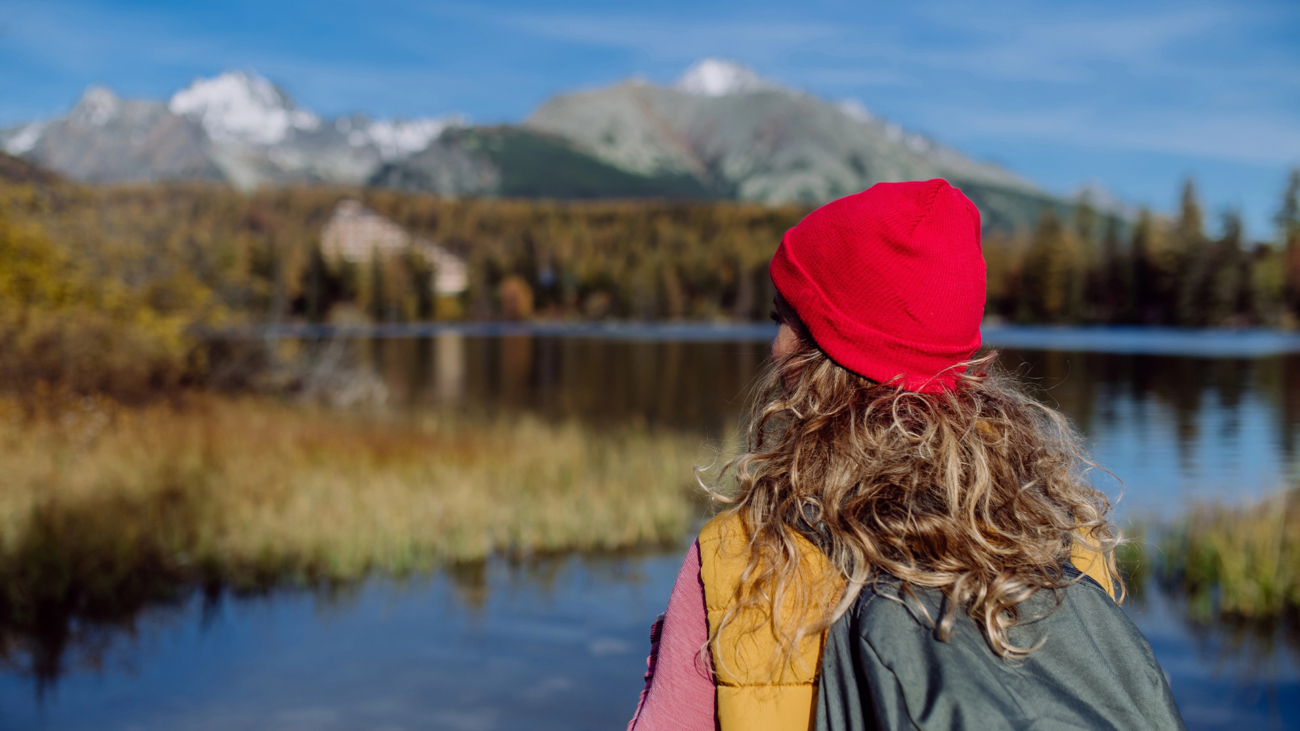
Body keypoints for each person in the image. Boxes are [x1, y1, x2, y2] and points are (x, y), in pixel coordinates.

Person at [627, 180, 1185, 731]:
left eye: (782, 320)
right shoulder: (1068, 547)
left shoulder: (742, 560)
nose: (773, 347)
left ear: (827, 351)